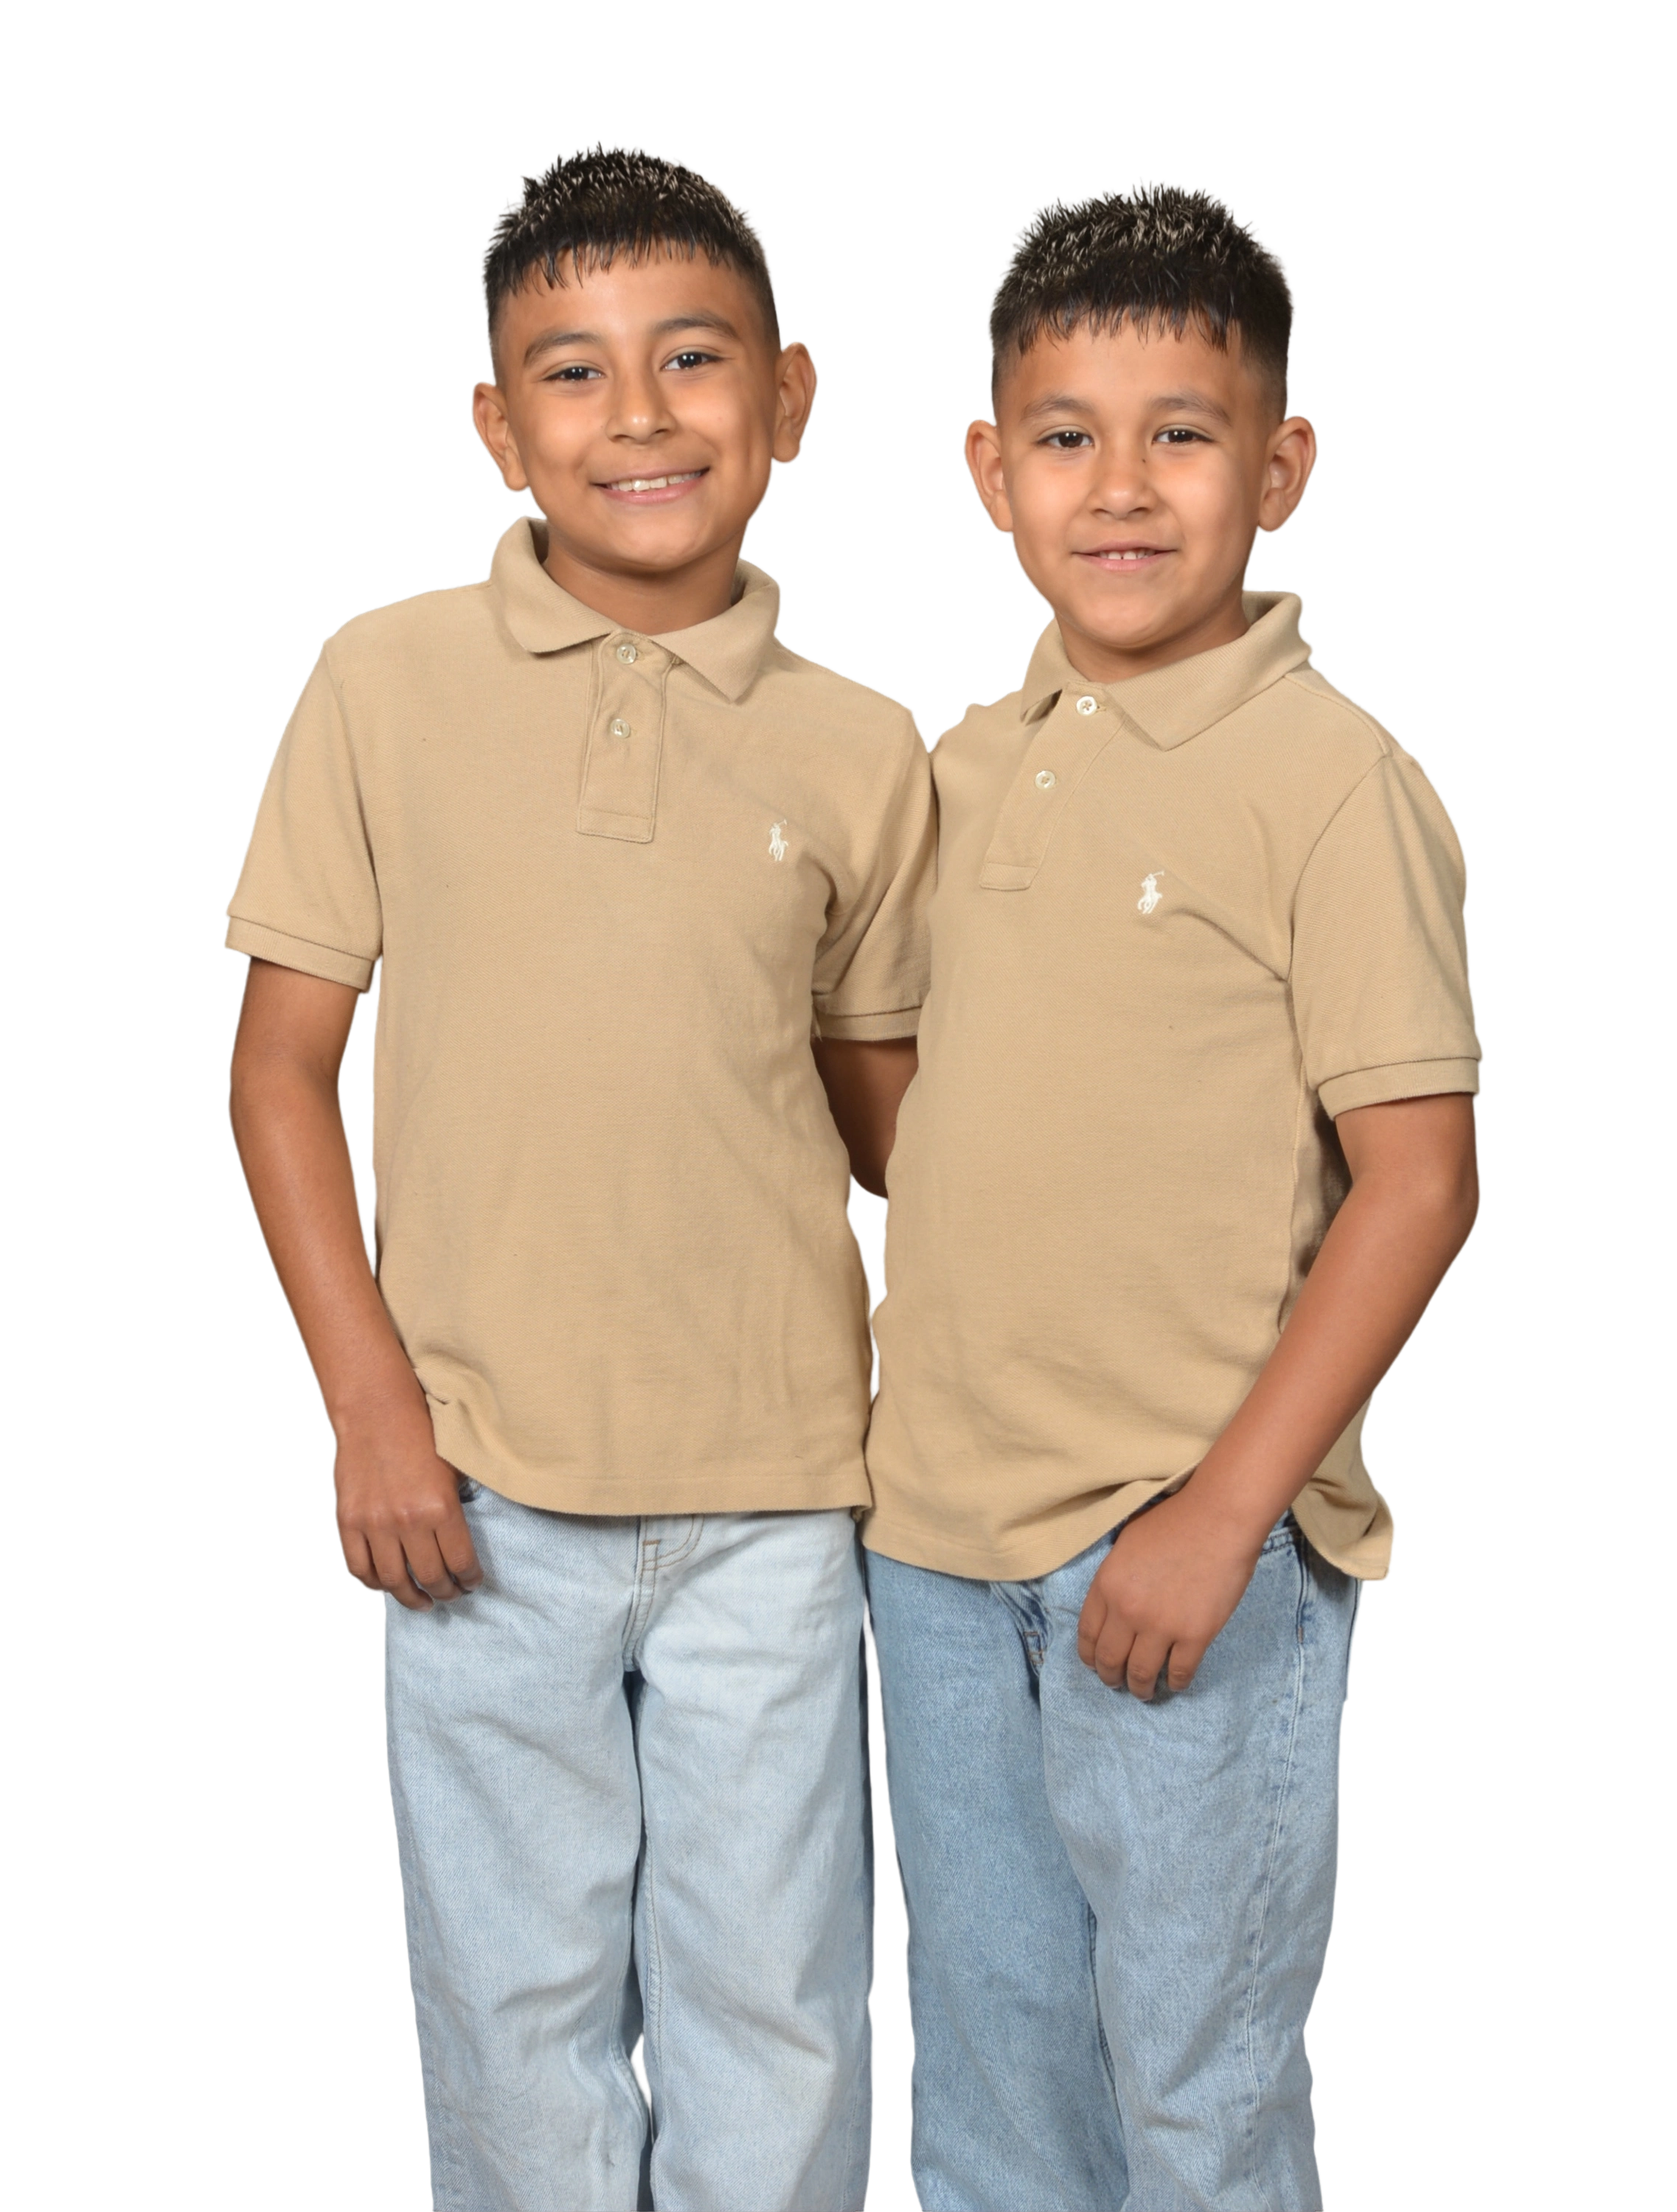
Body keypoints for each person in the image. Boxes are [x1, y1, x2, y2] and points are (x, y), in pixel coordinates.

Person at [222, 139, 932, 2212]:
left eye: (692, 357)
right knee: (517, 2014)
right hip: (478, 1490)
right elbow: (279, 1072)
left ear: (789, 398)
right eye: (573, 370)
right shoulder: (381, 685)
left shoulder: (868, 751)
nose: (640, 416)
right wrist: (373, 1412)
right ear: (496, 425)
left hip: (783, 1494)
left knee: (774, 2011)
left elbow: (893, 1121)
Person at [863, 175, 1484, 2212]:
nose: (1119, 487)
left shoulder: (1333, 783)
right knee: (995, 2078)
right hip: (937, 1547)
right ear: (991, 475)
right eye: (1065, 435)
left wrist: (1223, 1512)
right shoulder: (958, 772)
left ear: (1280, 469)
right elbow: (928, 1103)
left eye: (1182, 433)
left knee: (1197, 2089)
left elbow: (1419, 1180)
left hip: (1190, 1552)